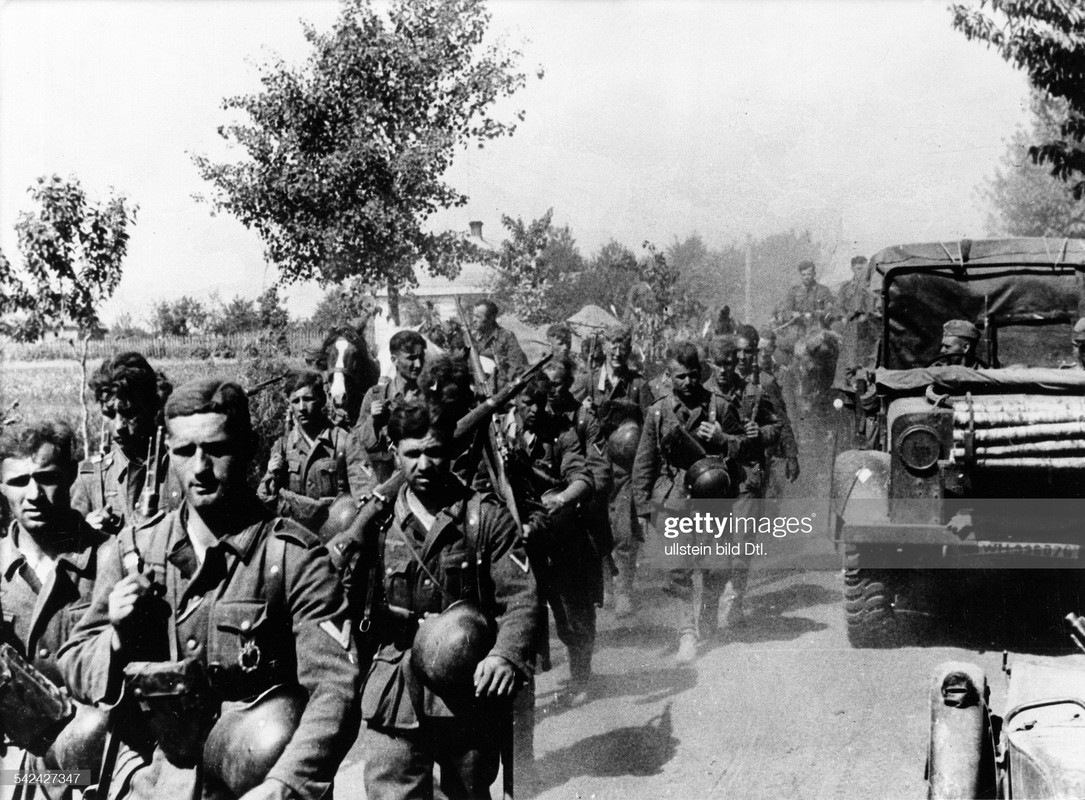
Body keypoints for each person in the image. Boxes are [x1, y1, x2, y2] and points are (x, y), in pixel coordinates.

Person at [58, 378, 360, 800]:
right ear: (169, 454)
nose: (199, 468)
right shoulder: (136, 550)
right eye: (184, 452)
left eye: (216, 449)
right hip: (160, 786)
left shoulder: (292, 557)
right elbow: (74, 660)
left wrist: (286, 785)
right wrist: (116, 637)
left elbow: (333, 690)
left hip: (262, 785)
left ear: (249, 448)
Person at [358, 401, 539, 800]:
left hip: (467, 684)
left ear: (452, 452)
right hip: (395, 684)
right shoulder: (378, 521)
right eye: (412, 453)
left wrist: (504, 655)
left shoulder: (485, 518)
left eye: (434, 452)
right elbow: (351, 607)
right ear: (394, 454)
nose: (424, 464)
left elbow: (520, 596)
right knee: (390, 791)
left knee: (466, 793)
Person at [0, 422, 110, 800]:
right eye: (18, 482)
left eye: (47, 478)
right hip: (10, 762)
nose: (34, 494)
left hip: (93, 758)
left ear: (73, 475)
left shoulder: (111, 559)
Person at [631, 342, 751, 664]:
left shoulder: (720, 407)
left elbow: (748, 449)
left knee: (715, 564)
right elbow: (644, 463)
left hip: (713, 497)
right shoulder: (658, 412)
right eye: (681, 376)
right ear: (669, 376)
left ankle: (709, 611)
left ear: (702, 373)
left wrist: (723, 441)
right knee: (677, 567)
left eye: (694, 375)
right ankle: (687, 631)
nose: (688, 383)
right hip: (672, 497)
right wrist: (643, 509)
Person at [706, 333, 784, 627]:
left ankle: (735, 597)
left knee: (741, 543)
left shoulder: (754, 392)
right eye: (724, 362)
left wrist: (759, 433)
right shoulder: (705, 394)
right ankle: (711, 604)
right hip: (714, 479)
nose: (730, 367)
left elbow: (776, 425)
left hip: (746, 477)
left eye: (735, 360)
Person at [71, 352, 181, 534]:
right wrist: (86, 531)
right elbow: (69, 548)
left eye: (129, 413)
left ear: (153, 406)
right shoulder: (90, 477)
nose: (119, 426)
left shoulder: (180, 467)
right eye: (109, 414)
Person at [591, 324, 653, 617]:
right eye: (612, 345)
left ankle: (625, 590)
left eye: (623, 345)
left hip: (626, 468)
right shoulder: (590, 381)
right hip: (596, 466)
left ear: (629, 350)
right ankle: (606, 585)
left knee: (625, 532)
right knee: (600, 528)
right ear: (603, 346)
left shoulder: (638, 385)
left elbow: (652, 426)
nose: (617, 352)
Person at [257, 370, 350, 531]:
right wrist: (271, 475)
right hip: (295, 536)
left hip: (334, 532)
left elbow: (364, 494)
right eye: (295, 401)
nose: (301, 408)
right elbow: (265, 500)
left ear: (321, 400)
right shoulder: (283, 445)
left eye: (308, 399)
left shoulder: (343, 441)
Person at [352, 330, 428, 487]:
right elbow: (357, 444)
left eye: (421, 357)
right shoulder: (376, 395)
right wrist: (373, 421)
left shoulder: (430, 399)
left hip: (420, 477)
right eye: (411, 358)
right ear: (394, 360)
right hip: (383, 481)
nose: (418, 364)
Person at [470, 300, 527, 389]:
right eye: (473, 316)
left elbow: (516, 365)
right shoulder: (471, 338)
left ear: (491, 318)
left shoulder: (506, 336)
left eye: (478, 317)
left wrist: (498, 382)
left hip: (499, 388)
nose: (473, 320)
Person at [779, 260, 837, 326]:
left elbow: (830, 310)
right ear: (800, 275)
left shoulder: (823, 290)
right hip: (797, 327)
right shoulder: (794, 291)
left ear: (814, 274)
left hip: (818, 326)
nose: (806, 277)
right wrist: (793, 314)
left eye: (809, 274)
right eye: (803, 275)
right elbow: (786, 310)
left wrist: (819, 313)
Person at [837, 256, 873, 321]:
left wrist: (866, 316)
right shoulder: (845, 287)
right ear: (852, 269)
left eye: (866, 269)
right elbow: (839, 306)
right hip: (849, 321)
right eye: (859, 269)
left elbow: (874, 307)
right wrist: (844, 317)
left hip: (868, 321)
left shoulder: (872, 287)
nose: (863, 272)